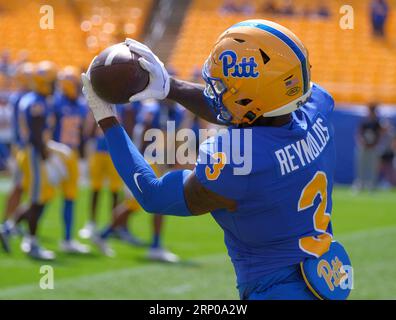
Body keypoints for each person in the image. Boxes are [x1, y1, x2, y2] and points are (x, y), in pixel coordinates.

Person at [82, 20, 349, 300]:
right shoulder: (317, 106)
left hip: (274, 290)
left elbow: (153, 195)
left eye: (225, 86)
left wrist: (108, 119)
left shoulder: (239, 158)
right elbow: (248, 110)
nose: (217, 92)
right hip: (319, 278)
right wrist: (170, 87)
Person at [93, 100, 181, 262]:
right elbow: (143, 132)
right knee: (156, 203)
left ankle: (104, 234)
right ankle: (155, 246)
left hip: (157, 161)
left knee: (134, 205)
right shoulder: (153, 108)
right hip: (149, 161)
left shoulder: (173, 111)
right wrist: (142, 160)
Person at [52, 66, 90, 253]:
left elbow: (82, 132)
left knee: (70, 197)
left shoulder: (81, 104)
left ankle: (67, 239)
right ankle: (17, 229)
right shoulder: (56, 102)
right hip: (56, 153)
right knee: (43, 197)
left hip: (73, 154)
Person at [354, 104, 384, 191]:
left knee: (373, 167)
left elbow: (381, 134)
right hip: (364, 147)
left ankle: (372, 184)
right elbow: (359, 133)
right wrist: (362, 142)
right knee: (361, 166)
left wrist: (375, 144)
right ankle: (360, 183)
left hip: (373, 147)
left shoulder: (377, 123)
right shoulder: (364, 122)